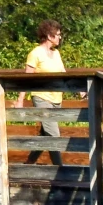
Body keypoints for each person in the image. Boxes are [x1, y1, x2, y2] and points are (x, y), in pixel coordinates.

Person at [24, 19, 67, 150]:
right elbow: (25, 79)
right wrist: (20, 100)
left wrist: (80, 90)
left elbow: (64, 74)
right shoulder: (35, 53)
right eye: (58, 34)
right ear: (49, 36)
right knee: (54, 135)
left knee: (45, 134)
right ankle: (60, 169)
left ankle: (29, 162)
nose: (60, 37)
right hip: (41, 97)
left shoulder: (56, 53)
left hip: (56, 99)